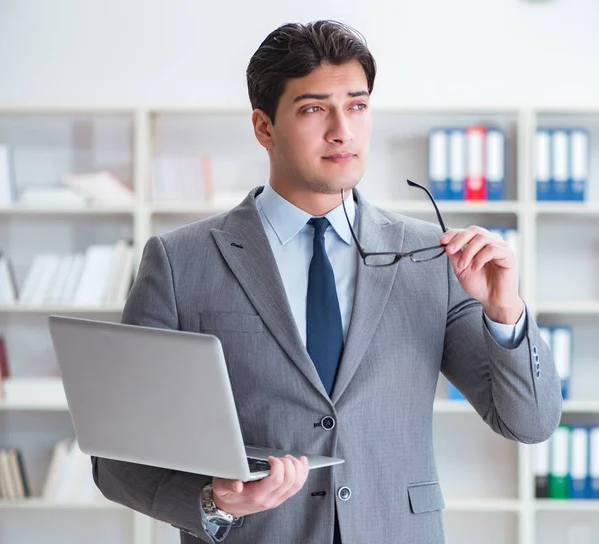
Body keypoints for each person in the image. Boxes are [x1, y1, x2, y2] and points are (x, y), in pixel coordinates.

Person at [92, 20, 562, 544]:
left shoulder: (432, 256)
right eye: (314, 108)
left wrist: (506, 311)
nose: (343, 129)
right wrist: (212, 500)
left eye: (357, 106)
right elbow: (117, 459)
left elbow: (530, 423)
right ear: (263, 127)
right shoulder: (181, 261)